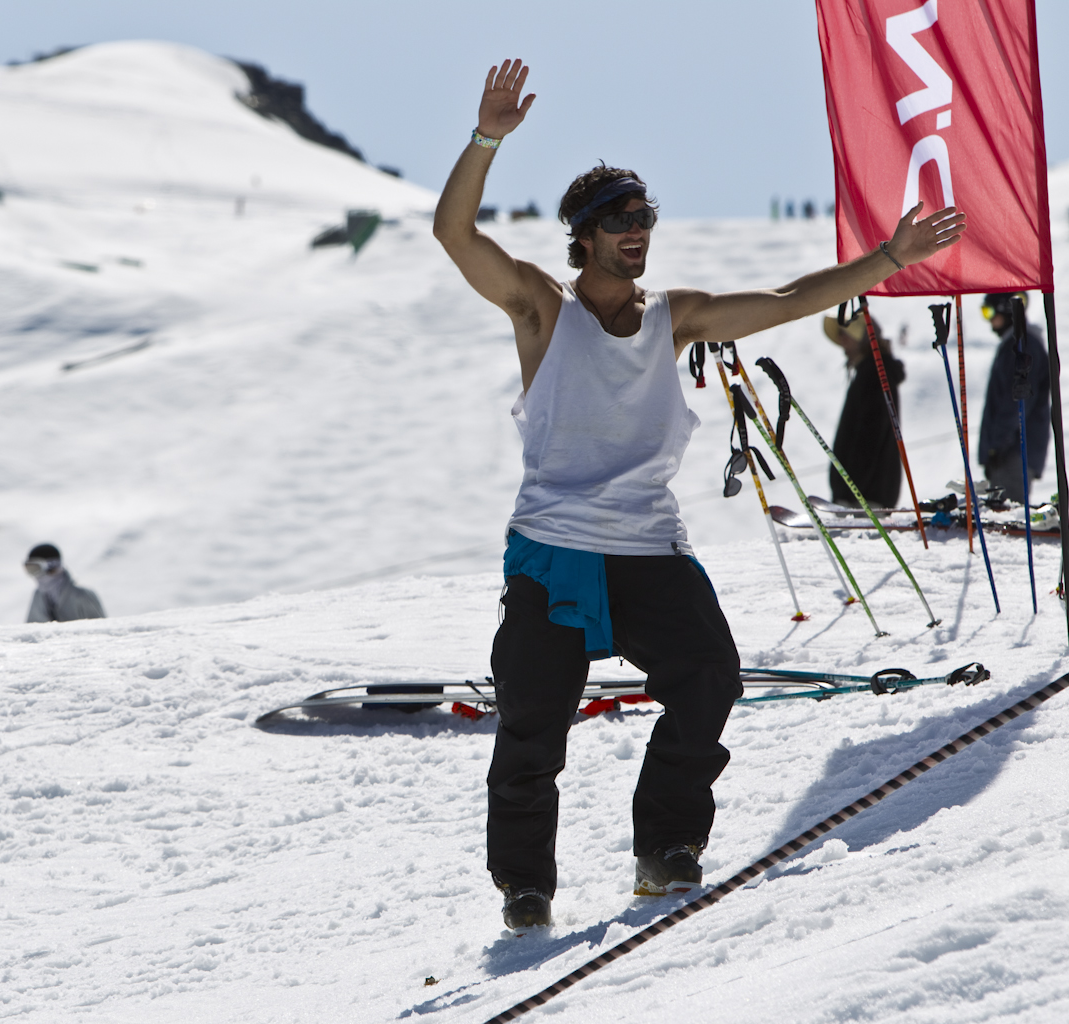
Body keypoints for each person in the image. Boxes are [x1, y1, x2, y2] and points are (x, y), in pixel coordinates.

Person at [432, 59, 965, 929]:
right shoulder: (542, 310)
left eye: (644, 217)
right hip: (555, 549)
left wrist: (887, 259)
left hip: (649, 547)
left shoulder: (673, 317)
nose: (638, 232)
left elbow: (791, 298)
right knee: (532, 731)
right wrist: (488, 137)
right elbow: (456, 235)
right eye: (620, 221)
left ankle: (665, 847)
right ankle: (526, 890)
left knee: (710, 676)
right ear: (585, 236)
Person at [823, 313, 905, 508]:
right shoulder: (871, 372)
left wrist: (848, 491)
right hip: (866, 495)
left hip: (864, 498)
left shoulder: (875, 374)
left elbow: (870, 438)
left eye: (846, 333)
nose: (841, 339)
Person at [976, 292, 1050, 503]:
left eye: (989, 311)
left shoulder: (1022, 347)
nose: (989, 319)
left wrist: (997, 445)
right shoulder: (1017, 345)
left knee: (1006, 519)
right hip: (1010, 450)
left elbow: (1018, 401)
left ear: (1005, 310)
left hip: (1014, 452)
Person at [23, 544, 105, 623]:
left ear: (52, 566)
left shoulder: (82, 595)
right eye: (29, 569)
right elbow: (32, 628)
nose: (34, 576)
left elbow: (99, 628)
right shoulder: (38, 595)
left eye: (35, 568)